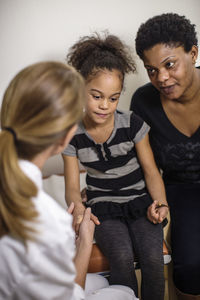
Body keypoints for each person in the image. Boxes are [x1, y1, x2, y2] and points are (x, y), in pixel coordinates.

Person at [0, 61, 136, 300]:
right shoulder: (49, 222)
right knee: (124, 293)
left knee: (102, 281)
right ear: (66, 137)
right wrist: (84, 241)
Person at [62, 32, 169, 300]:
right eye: (96, 96)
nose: (105, 106)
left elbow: (151, 171)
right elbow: (73, 188)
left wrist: (161, 203)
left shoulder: (132, 124)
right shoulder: (71, 135)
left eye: (113, 98)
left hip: (139, 201)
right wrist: (80, 214)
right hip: (104, 207)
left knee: (153, 262)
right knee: (120, 258)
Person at [130, 13, 200, 299]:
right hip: (180, 189)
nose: (162, 78)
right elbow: (141, 163)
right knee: (190, 266)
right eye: (151, 69)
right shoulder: (144, 102)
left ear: (193, 53)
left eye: (169, 64)